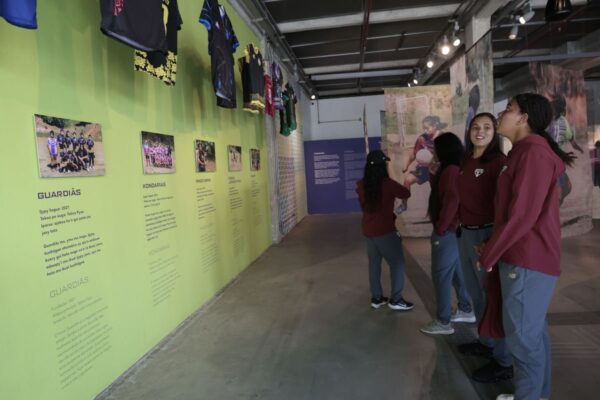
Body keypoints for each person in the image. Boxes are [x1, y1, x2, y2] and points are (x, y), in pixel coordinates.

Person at [477, 93, 575, 400]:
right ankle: (536, 394)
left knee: (523, 340)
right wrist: (494, 245)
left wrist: (489, 254)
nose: (500, 114)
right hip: (523, 256)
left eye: (508, 109)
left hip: (527, 259)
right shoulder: (523, 152)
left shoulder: (533, 153)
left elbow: (522, 216)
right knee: (532, 333)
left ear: (524, 118)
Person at [455, 113, 513, 383]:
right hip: (465, 234)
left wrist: (491, 241)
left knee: (492, 296)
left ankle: (504, 360)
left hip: (486, 235)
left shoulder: (497, 162)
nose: (480, 132)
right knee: (475, 295)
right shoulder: (466, 161)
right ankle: (486, 342)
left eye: (487, 128)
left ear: (494, 132)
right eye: (476, 127)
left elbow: (504, 206)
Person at [420, 132, 473, 335]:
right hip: (453, 232)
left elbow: (451, 200)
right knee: (457, 272)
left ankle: (443, 321)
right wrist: (433, 173)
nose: (433, 152)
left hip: (447, 232)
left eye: (435, 149)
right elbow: (441, 193)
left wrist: (441, 227)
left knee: (441, 276)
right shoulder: (451, 169)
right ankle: (466, 308)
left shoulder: (451, 171)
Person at [356, 150, 414, 311]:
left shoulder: (361, 185)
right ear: (383, 167)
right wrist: (394, 177)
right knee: (398, 264)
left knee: (374, 264)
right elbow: (405, 193)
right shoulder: (388, 184)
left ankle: (376, 298)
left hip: (368, 230)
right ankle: (396, 299)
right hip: (385, 231)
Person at [398, 115, 447, 213]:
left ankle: (439, 210)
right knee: (407, 180)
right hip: (423, 169)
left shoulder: (444, 138)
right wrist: (406, 165)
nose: (425, 131)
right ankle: (403, 204)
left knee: (437, 191)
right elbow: (414, 154)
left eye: (427, 128)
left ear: (435, 126)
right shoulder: (421, 138)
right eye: (423, 128)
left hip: (437, 170)